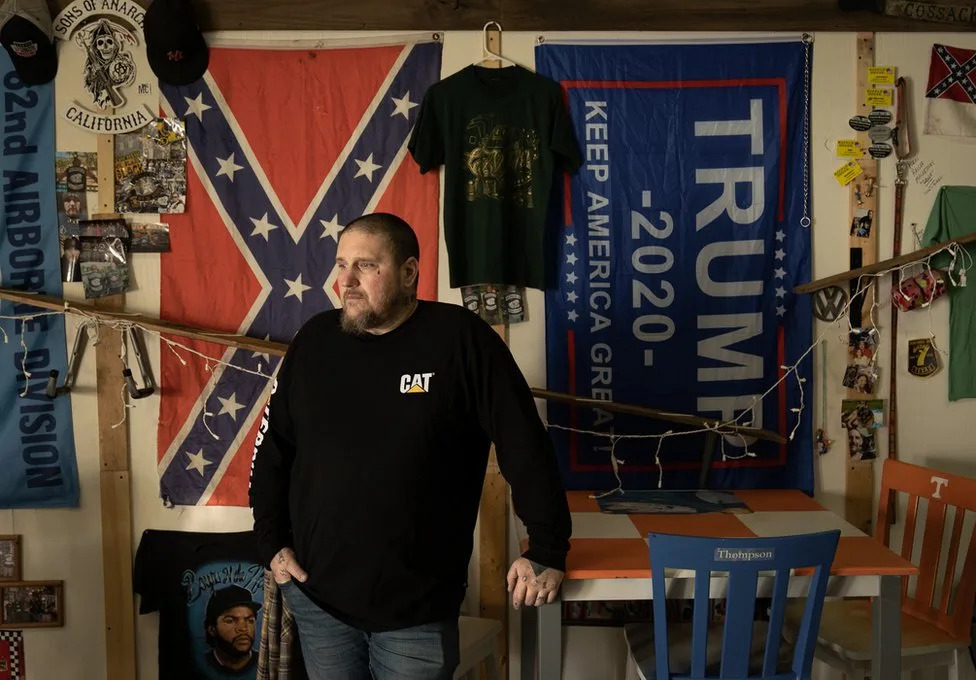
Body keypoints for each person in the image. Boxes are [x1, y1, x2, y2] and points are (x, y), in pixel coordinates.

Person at [249, 212, 572, 680]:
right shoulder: (314, 341)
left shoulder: (461, 341)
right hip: (319, 598)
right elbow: (273, 450)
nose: (347, 281)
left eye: (366, 266)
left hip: (416, 612)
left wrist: (547, 547)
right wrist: (271, 544)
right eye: (341, 265)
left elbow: (524, 444)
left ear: (408, 272)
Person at [203, 585, 260, 675]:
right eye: (230, 621)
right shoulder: (198, 665)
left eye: (250, 620)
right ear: (212, 629)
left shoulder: (268, 663)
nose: (243, 628)